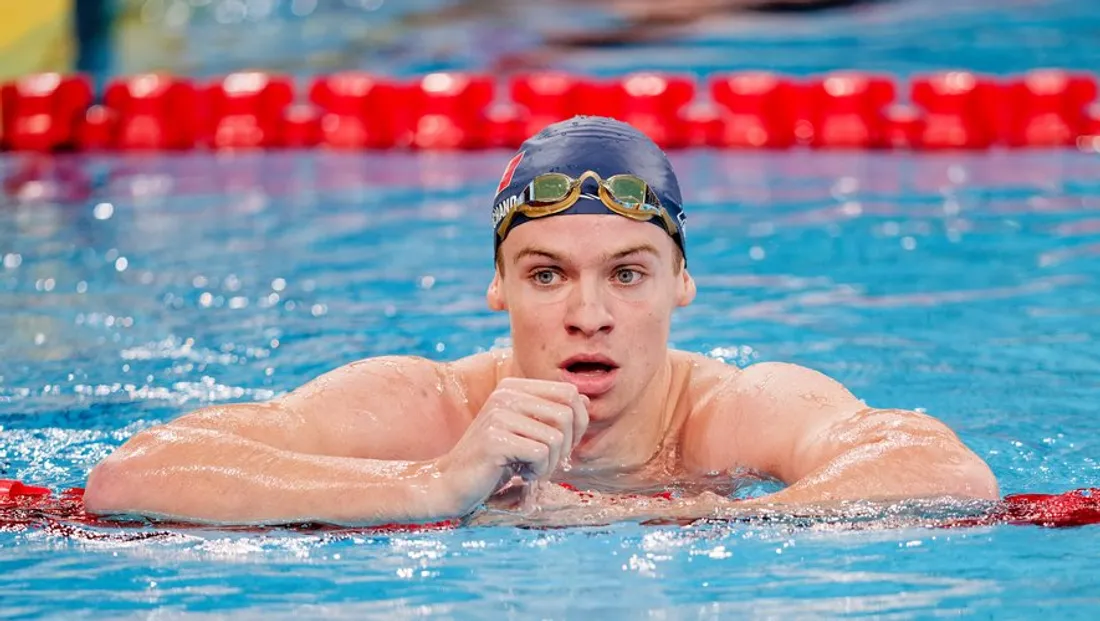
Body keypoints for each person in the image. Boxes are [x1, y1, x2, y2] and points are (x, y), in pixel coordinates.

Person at [83, 116, 998, 527]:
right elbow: (133, 474)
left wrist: (698, 523)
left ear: (683, 283)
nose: (588, 314)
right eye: (548, 273)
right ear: (498, 288)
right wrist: (434, 486)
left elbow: (944, 470)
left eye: (628, 274)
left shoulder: (731, 413)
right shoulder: (425, 408)